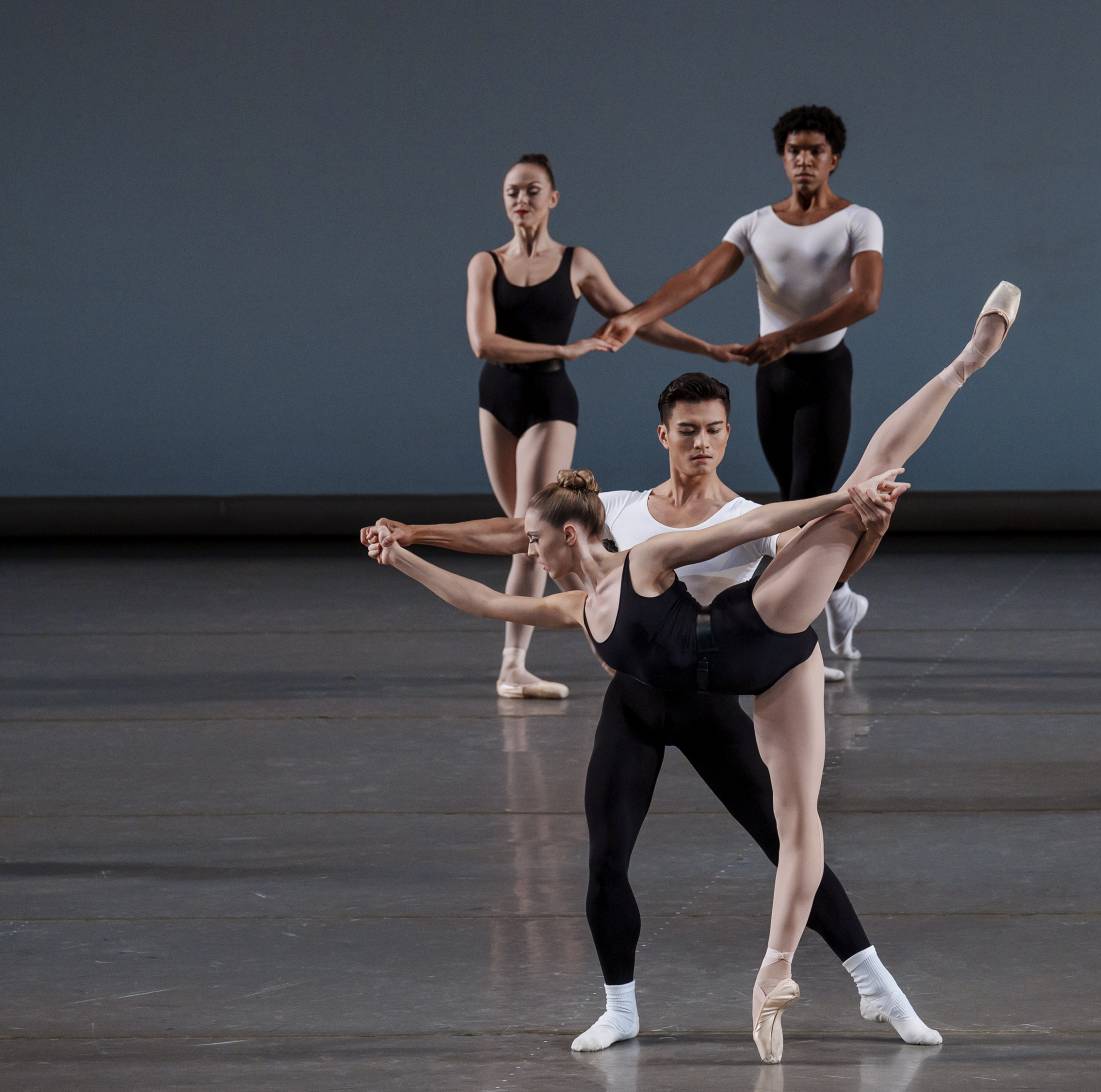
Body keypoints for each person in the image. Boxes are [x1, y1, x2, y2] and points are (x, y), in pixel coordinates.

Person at [368, 282, 1021, 1062]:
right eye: (688, 432)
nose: (702, 443)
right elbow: (505, 552)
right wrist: (411, 540)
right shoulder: (613, 518)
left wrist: (857, 515)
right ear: (664, 435)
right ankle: (619, 1007)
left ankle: (876, 982)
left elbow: (802, 556)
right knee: (606, 858)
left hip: (723, 681)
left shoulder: (711, 526)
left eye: (714, 430)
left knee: (791, 841)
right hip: (642, 702)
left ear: (725, 433)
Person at [594, 105, 881, 662]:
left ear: (833, 159)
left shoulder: (858, 221)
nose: (803, 160)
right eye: (794, 150)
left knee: (804, 500)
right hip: (771, 377)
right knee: (787, 503)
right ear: (783, 157)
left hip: (823, 372)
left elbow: (865, 298)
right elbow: (699, 276)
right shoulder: (755, 224)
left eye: (815, 151)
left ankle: (801, 637)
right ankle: (840, 597)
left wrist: (789, 337)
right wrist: (636, 316)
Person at [468, 153, 741, 699]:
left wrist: (706, 347)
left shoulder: (576, 262)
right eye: (511, 192)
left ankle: (513, 665)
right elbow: (484, 342)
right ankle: (615, 643)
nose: (521, 200)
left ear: (553, 198)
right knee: (537, 539)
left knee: (529, 528)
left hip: (550, 398)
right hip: (496, 397)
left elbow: (636, 319)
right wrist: (565, 346)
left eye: (531, 190)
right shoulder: (486, 264)